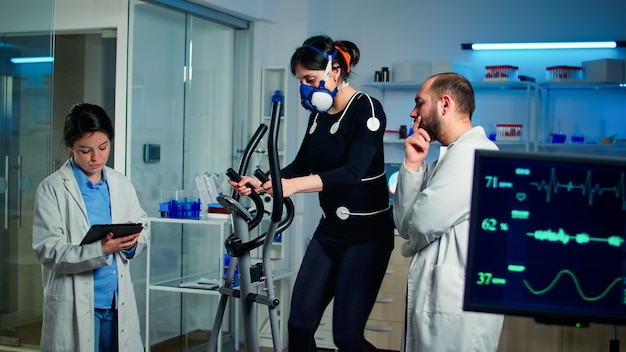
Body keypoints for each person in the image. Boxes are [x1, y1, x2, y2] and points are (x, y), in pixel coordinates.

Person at [230, 34, 394, 351]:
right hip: (331, 230)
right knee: (299, 325)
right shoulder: (317, 115)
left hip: (367, 235)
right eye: (301, 81)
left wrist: (291, 187)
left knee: (347, 336)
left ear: (335, 71)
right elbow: (300, 164)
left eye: (310, 79)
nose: (305, 87)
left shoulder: (368, 110)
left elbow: (351, 174)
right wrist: (263, 182)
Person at [392, 72, 504, 351]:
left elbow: (423, 224)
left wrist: (411, 245)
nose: (413, 112)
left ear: (444, 104)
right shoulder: (448, 157)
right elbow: (406, 226)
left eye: (419, 103)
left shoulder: (474, 154)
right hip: (439, 303)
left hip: (457, 313)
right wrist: (413, 165)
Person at [32, 103, 149, 352]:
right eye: (85, 150)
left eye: (103, 147)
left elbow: (143, 225)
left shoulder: (120, 183)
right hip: (75, 301)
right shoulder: (52, 188)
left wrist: (132, 242)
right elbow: (48, 249)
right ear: (70, 147)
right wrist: (101, 249)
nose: (96, 157)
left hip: (116, 301)